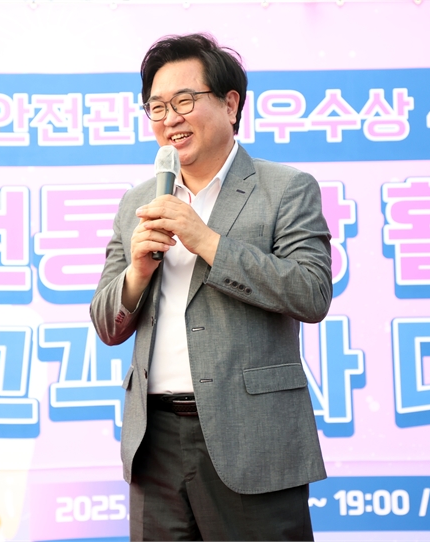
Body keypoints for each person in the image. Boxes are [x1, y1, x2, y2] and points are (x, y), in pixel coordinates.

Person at [90, 33, 332, 541]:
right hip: (154, 439)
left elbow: (311, 292)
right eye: (157, 107)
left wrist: (206, 241)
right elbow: (107, 323)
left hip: (252, 435)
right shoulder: (138, 201)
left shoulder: (285, 188)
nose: (169, 119)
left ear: (230, 104)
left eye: (184, 101)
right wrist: (137, 274)